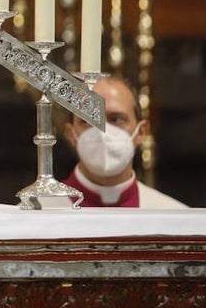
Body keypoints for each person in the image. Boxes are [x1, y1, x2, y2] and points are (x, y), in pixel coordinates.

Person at [62, 75, 186, 208]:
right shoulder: (41, 213)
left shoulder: (173, 217)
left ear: (141, 132)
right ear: (71, 134)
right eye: (88, 120)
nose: (102, 132)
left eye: (116, 119)